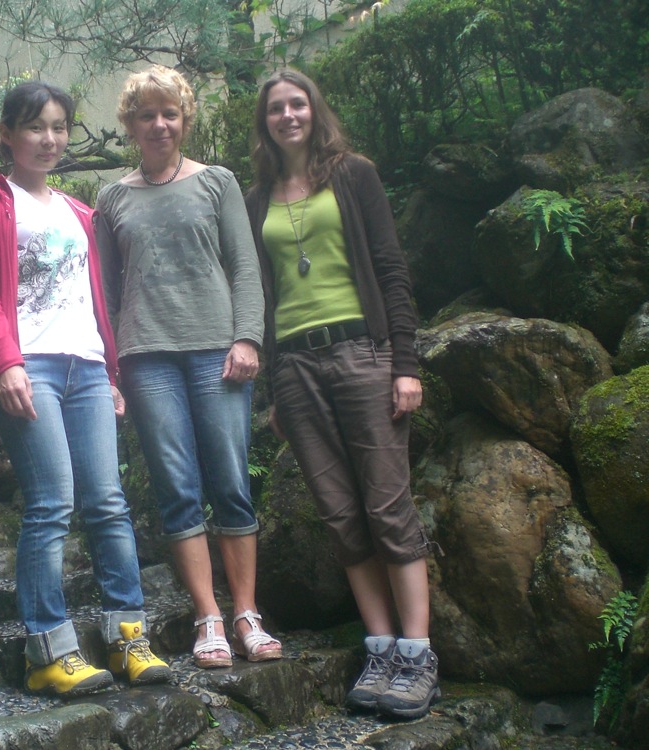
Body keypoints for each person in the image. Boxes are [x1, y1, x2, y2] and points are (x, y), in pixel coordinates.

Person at [0, 81, 172, 698]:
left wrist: (110, 374)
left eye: (59, 127)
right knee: (52, 503)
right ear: (8, 135)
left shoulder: (82, 212)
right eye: (35, 127)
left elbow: (95, 300)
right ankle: (48, 650)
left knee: (108, 502)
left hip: (85, 366)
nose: (49, 139)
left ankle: (127, 637)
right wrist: (5, 364)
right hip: (31, 367)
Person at [244, 69, 439, 720]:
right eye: (277, 108)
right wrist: (275, 386)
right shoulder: (257, 198)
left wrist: (405, 365)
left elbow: (391, 271)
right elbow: (263, 300)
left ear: (314, 109)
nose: (289, 115)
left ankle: (417, 653)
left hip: (364, 353)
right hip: (295, 368)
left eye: (298, 103)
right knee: (340, 515)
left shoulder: (354, 175)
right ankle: (380, 647)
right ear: (265, 121)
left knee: (387, 506)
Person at [95, 65, 282, 669]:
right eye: (146, 115)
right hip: (146, 357)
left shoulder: (217, 182)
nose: (158, 124)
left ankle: (247, 614)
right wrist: (111, 367)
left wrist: (248, 338)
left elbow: (245, 266)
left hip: (216, 349)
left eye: (169, 113)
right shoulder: (112, 198)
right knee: (177, 490)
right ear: (130, 124)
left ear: (185, 119)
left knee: (229, 481)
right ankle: (208, 618)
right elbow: (106, 293)